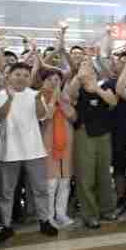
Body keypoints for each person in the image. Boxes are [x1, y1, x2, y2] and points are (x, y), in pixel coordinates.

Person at [0, 62, 57, 243]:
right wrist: (10, 99)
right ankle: (6, 226)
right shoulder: (1, 95)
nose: (21, 78)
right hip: (8, 152)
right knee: (6, 192)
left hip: (34, 150)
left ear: (30, 79)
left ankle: (45, 221)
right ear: (9, 76)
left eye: (25, 75)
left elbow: (42, 116)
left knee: (41, 189)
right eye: (17, 74)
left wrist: (38, 101)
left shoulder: (35, 95)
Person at [68, 59, 118, 229]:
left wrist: (95, 87)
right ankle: (90, 215)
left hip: (103, 135)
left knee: (104, 174)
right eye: (85, 72)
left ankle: (107, 209)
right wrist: (80, 75)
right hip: (84, 135)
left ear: (96, 75)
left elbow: (113, 101)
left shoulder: (103, 88)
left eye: (91, 72)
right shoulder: (78, 89)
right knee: (85, 176)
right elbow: (69, 95)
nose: (88, 74)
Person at [41, 70, 77, 228]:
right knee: (50, 184)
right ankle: (48, 217)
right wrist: (53, 100)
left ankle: (61, 214)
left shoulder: (66, 98)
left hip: (67, 146)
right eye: (50, 79)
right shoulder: (39, 98)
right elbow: (45, 117)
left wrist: (62, 102)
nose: (54, 82)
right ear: (44, 81)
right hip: (47, 145)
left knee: (65, 182)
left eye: (57, 79)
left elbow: (74, 117)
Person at [104, 52, 126, 217]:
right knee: (120, 168)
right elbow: (108, 106)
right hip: (117, 133)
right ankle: (122, 197)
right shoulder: (109, 84)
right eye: (122, 62)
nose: (124, 65)